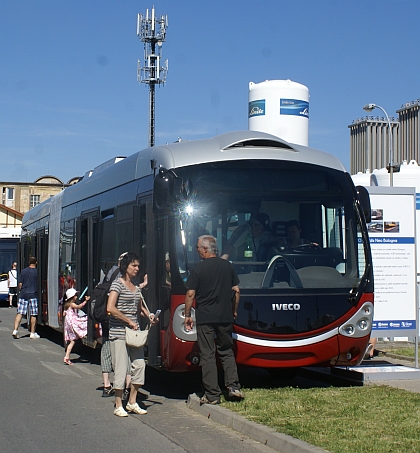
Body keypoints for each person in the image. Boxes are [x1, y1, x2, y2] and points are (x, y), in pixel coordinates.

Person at [184, 235, 244, 405]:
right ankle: (233, 387)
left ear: (205, 249)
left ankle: (212, 395)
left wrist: (188, 315)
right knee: (226, 351)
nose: (197, 251)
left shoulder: (198, 269)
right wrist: (234, 311)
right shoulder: (227, 266)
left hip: (205, 317)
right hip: (224, 316)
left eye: (197, 248)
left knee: (208, 355)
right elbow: (237, 291)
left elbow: (190, 293)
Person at [107, 252, 158, 417]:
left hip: (133, 333)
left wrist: (148, 316)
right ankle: (118, 404)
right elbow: (110, 308)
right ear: (125, 267)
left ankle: (132, 402)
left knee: (139, 366)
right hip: (119, 332)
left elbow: (139, 307)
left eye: (138, 266)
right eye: (133, 265)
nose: (137, 268)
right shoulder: (117, 284)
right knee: (121, 368)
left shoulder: (136, 287)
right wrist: (127, 321)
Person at [12, 256, 40, 339]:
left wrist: (22, 290)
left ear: (29, 262)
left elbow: (20, 284)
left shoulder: (23, 271)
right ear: (36, 262)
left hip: (23, 294)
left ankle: (15, 330)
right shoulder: (37, 272)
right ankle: (32, 333)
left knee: (20, 312)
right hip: (33, 294)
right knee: (33, 314)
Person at [63, 288, 90, 365]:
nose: (76, 297)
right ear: (71, 297)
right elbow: (79, 306)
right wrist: (86, 301)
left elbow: (64, 314)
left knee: (72, 341)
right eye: (75, 295)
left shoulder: (67, 305)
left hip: (68, 324)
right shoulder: (72, 304)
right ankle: (66, 357)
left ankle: (66, 357)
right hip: (73, 323)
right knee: (84, 322)